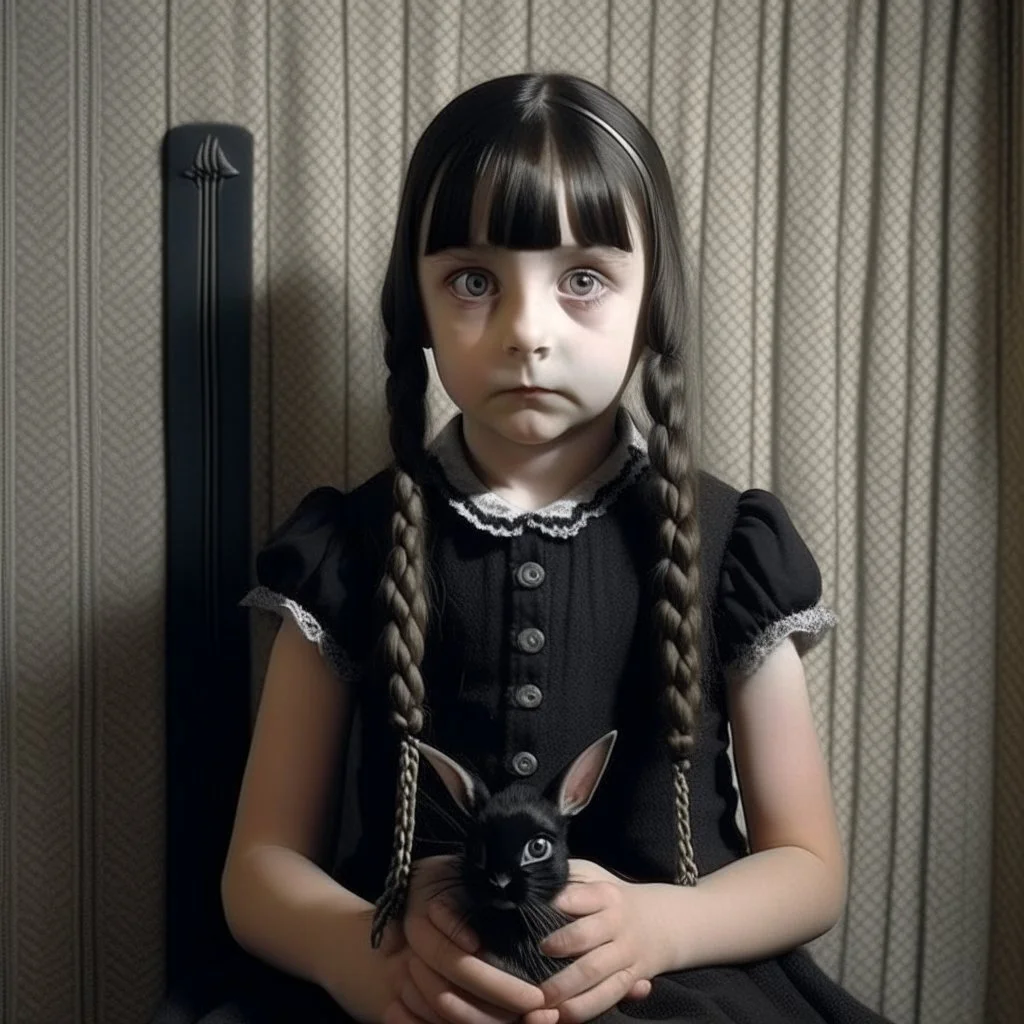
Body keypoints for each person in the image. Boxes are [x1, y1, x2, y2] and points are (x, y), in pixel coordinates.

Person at [215, 72, 892, 1024]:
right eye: (473, 281)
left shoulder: (733, 545)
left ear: (651, 301)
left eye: (583, 279)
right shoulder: (348, 547)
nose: (527, 331)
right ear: (414, 308)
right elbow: (259, 866)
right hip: (399, 990)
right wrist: (360, 961)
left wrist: (665, 926)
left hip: (679, 987)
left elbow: (811, 869)